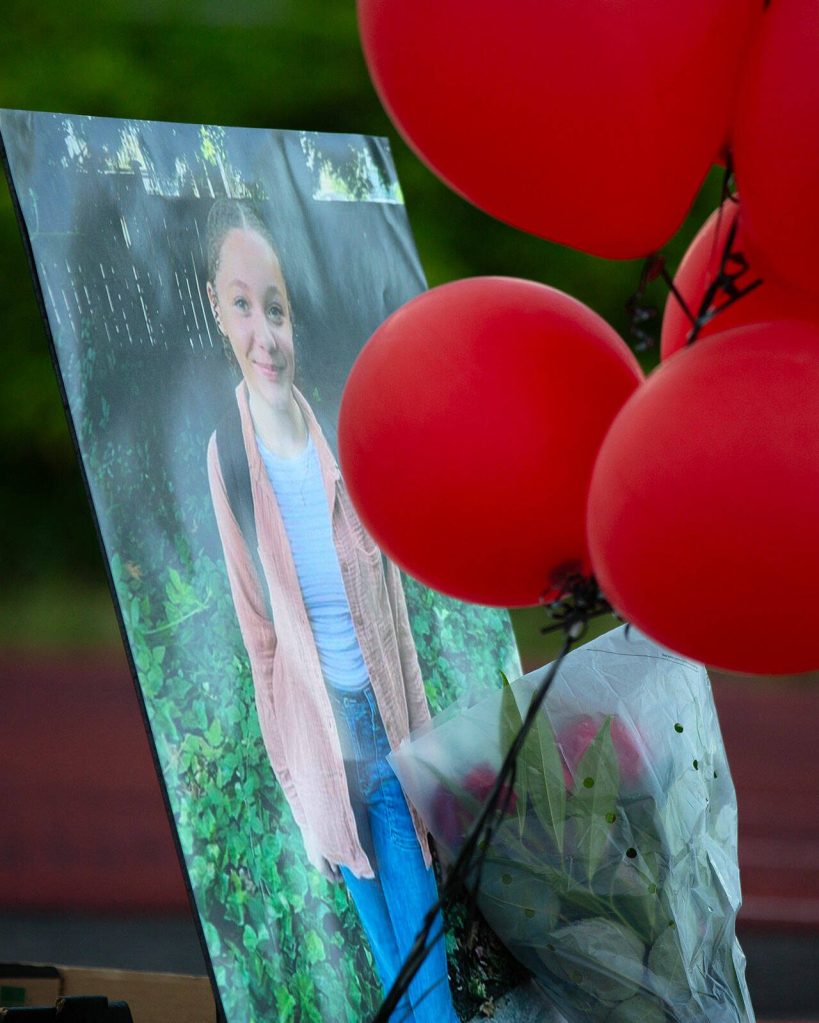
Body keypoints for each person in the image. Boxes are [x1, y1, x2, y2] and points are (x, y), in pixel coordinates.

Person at [204, 198, 458, 1023]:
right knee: (392, 971)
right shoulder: (228, 460)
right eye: (242, 305)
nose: (263, 332)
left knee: (428, 977)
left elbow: (394, 614)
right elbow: (260, 643)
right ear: (218, 311)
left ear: (292, 319)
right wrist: (297, 790)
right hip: (321, 753)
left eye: (273, 307)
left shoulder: (342, 437)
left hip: (384, 742)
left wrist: (420, 759)